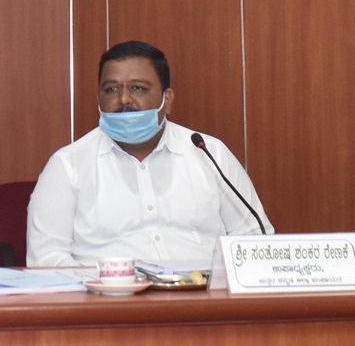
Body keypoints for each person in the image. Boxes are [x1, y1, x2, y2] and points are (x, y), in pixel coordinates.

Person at [27, 41, 271, 267]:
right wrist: (107, 285)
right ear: (98, 98)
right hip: (108, 296)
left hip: (204, 294)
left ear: (168, 99)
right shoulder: (68, 165)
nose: (124, 99)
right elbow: (46, 259)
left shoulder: (209, 153)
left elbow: (254, 237)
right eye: (111, 89)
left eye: (138, 88)